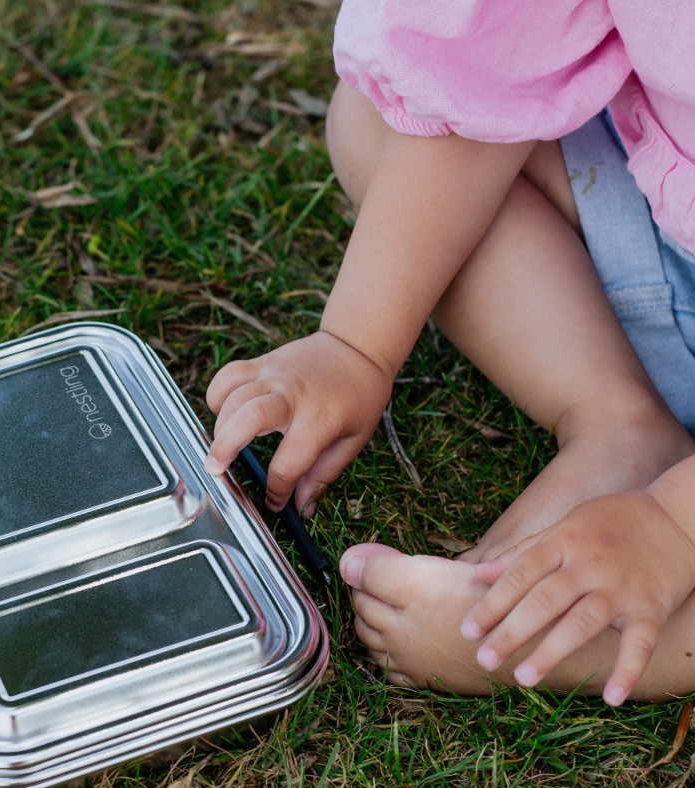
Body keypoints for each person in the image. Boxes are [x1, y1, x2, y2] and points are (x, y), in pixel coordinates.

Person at [203, 2, 695, 705]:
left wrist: (673, 527)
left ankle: (578, 646)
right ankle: (621, 420)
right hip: (661, 221)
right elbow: (493, 60)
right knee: (377, 121)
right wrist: (359, 344)